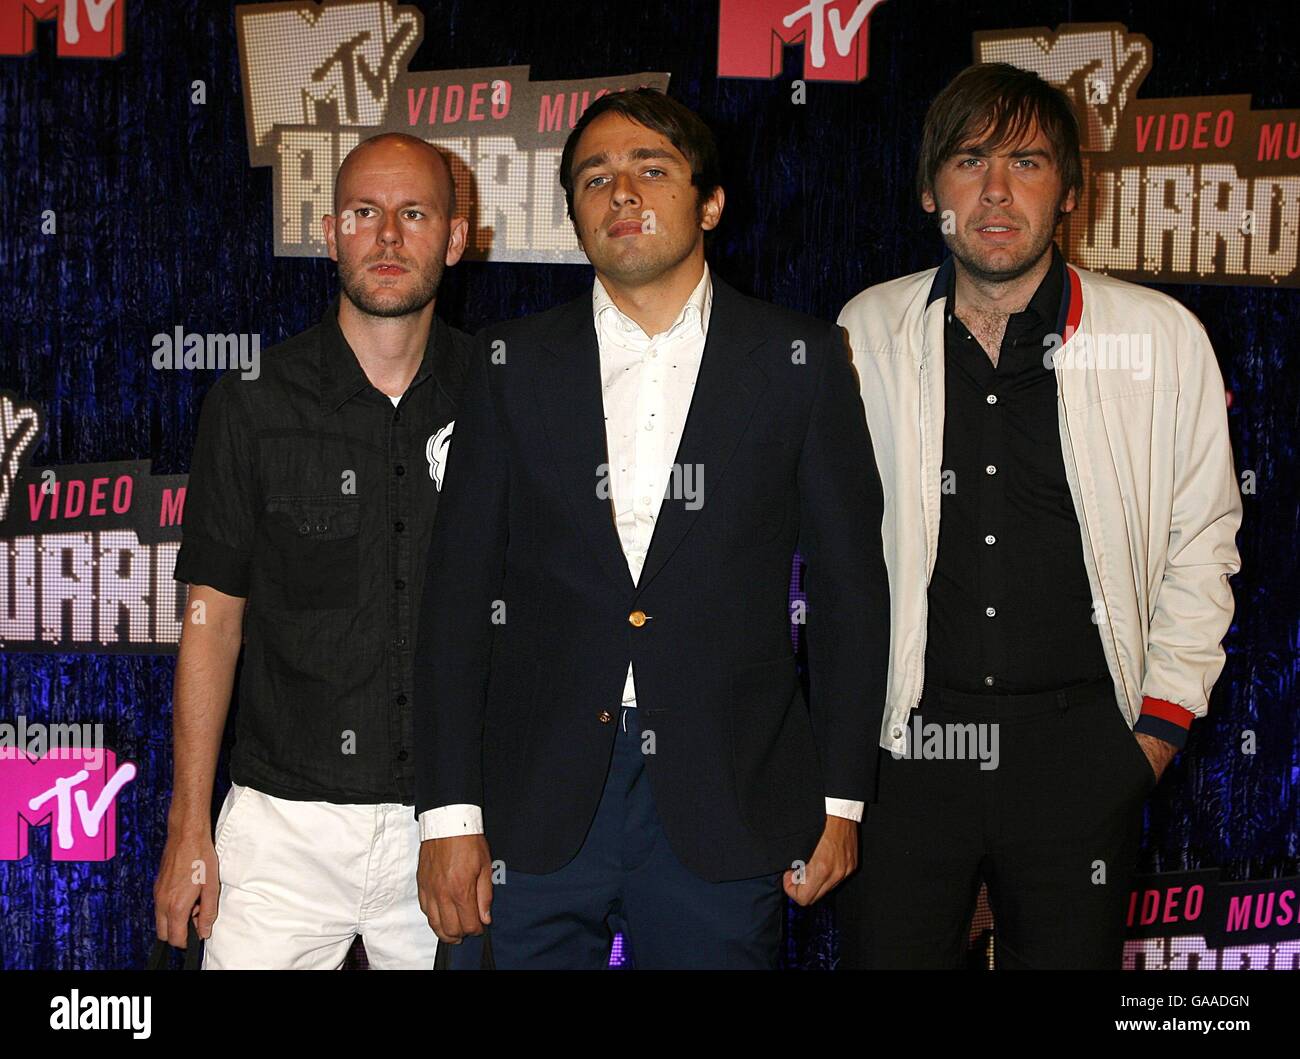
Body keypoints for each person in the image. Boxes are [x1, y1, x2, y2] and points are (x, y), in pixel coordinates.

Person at [413, 88, 889, 969]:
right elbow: (454, 599)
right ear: (575, 218)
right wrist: (448, 813)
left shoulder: (802, 360)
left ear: (709, 203)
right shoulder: (508, 366)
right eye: (596, 178)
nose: (622, 192)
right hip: (533, 800)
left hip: (727, 797)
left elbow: (850, 591)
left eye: (652, 169)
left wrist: (842, 799)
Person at [835, 63, 1242, 969]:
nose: (995, 191)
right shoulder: (867, 330)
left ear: (1068, 192)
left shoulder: (1159, 339)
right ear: (929, 187)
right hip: (910, 749)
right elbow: (831, 550)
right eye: (969, 159)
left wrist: (1151, 740)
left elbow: (1203, 539)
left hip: (1081, 754)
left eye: (1026, 161)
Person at [154, 133, 472, 969]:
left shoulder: (501, 398)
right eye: (366, 213)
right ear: (332, 232)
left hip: (450, 823)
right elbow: (212, 622)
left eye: (415, 214)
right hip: (279, 828)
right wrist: (189, 823)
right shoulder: (252, 404)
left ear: (456, 236)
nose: (390, 238)